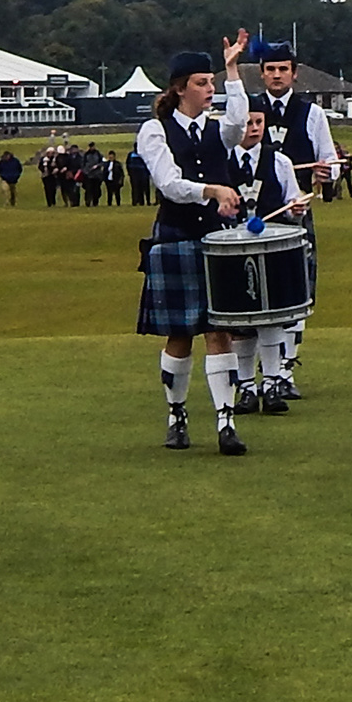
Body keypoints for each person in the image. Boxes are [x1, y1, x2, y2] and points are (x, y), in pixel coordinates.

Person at [133, 53, 251, 456]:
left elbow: (238, 122)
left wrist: (232, 70)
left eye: (212, 82)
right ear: (180, 88)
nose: (210, 89)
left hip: (218, 240)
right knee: (180, 335)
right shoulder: (155, 131)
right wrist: (213, 190)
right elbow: (168, 183)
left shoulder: (219, 131)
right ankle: (176, 414)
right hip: (177, 238)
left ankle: (226, 421)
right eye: (202, 82)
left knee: (221, 331)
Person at [246, 41, 341, 403]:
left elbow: (330, 163)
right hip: (251, 219)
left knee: (296, 295)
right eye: (270, 69)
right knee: (251, 297)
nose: (276, 75)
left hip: (295, 218)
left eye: (282, 69)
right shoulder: (248, 110)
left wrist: (324, 171)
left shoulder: (311, 113)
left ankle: (284, 371)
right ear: (263, 73)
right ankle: (253, 375)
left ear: (294, 73)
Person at [219, 100, 314, 413]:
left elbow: (293, 199)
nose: (254, 128)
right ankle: (246, 386)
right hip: (232, 251)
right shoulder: (221, 159)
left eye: (259, 122)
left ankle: (272, 383)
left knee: (271, 318)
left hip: (271, 250)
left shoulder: (280, 161)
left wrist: (299, 207)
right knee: (242, 323)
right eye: (248, 123)